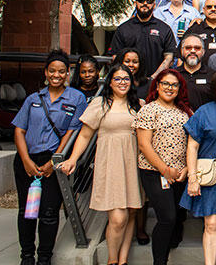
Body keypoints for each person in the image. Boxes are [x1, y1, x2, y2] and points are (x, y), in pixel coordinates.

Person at [58, 65, 143, 265]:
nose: (122, 82)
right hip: (110, 163)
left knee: (131, 212)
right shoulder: (100, 104)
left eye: (126, 79)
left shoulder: (139, 104)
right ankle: (112, 260)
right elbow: (85, 135)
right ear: (110, 82)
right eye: (118, 79)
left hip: (133, 163)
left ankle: (122, 260)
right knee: (118, 218)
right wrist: (72, 159)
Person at [12, 51, 88, 265]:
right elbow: (19, 131)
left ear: (67, 73)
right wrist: (26, 161)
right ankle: (26, 256)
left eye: (61, 71)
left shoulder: (76, 98)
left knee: (48, 211)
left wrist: (52, 162)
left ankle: (44, 257)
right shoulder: (33, 99)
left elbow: (71, 133)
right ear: (46, 72)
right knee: (26, 212)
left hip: (53, 160)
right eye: (52, 71)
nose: (56, 75)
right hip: (27, 159)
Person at [134, 69, 193, 265]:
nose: (170, 88)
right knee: (167, 217)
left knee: (176, 217)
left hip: (179, 174)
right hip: (154, 172)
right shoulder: (148, 110)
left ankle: (171, 243)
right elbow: (144, 145)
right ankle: (160, 261)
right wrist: (165, 170)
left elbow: (191, 143)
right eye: (165, 83)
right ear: (157, 86)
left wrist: (186, 169)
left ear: (179, 88)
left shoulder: (185, 112)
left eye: (174, 84)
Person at [181, 70, 216, 265]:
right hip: (210, 172)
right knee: (212, 223)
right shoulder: (205, 110)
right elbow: (192, 146)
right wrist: (192, 178)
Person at [108, 0, 176, 80]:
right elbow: (116, 57)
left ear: (154, 5)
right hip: (129, 83)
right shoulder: (123, 28)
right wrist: (126, 78)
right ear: (135, 3)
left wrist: (153, 78)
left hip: (155, 83)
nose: (145, 3)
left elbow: (169, 58)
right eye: (141, 0)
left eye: (149, 0)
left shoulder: (164, 29)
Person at [185, 0, 216, 65]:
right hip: (199, 73)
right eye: (209, 7)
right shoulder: (194, 29)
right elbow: (181, 55)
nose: (213, 9)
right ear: (204, 10)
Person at [176, 34, 212, 111]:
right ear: (182, 51)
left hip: (203, 121)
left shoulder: (213, 76)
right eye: (188, 48)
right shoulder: (173, 75)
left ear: (203, 52)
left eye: (197, 48)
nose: (192, 51)